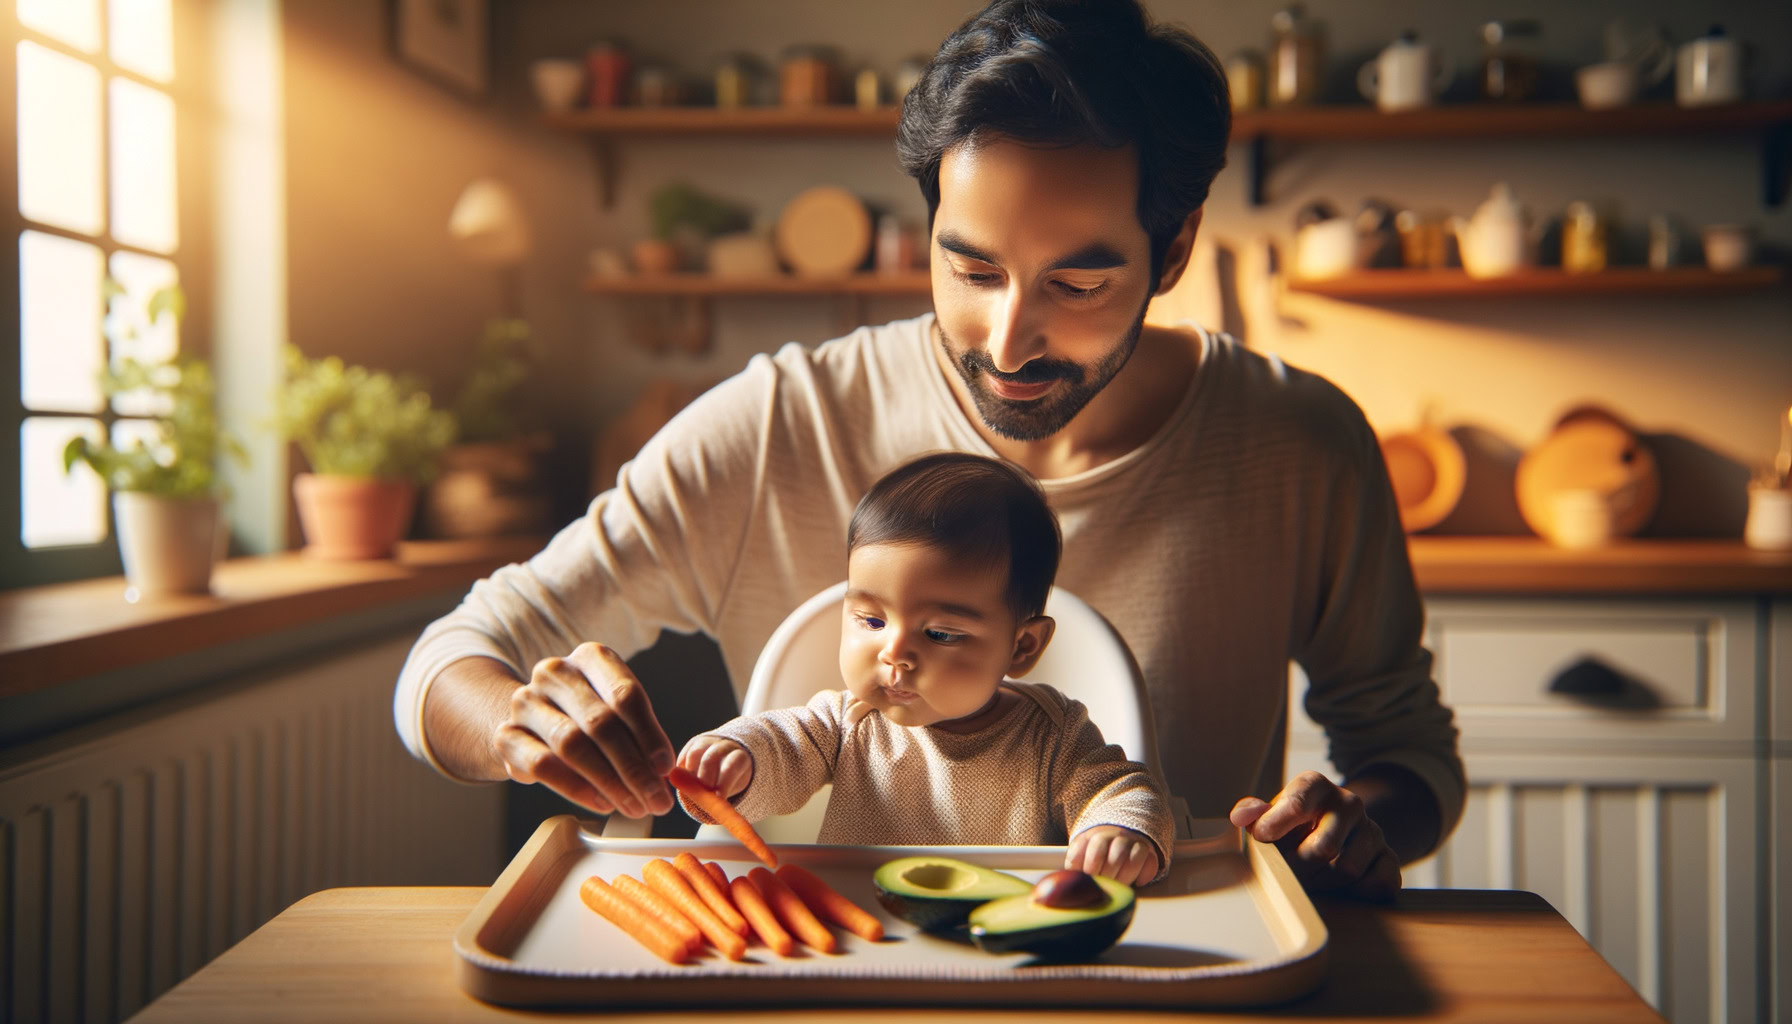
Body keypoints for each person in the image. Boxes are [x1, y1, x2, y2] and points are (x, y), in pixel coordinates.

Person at [394, 0, 1463, 901]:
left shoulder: (1298, 441)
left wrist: (1350, 821)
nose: (1008, 342)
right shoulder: (779, 423)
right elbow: (446, 665)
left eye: (1078, 284)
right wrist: (522, 724)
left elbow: (1408, 757)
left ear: (1173, 245)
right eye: (971, 269)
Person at [676, 452, 1173, 886]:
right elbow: (783, 747)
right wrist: (737, 757)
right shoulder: (847, 724)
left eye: (938, 633)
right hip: (864, 936)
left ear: (1021, 646)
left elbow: (1122, 787)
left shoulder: (1054, 735)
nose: (894, 653)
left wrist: (1120, 831)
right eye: (872, 620)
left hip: (1006, 946)